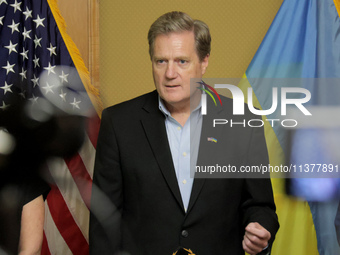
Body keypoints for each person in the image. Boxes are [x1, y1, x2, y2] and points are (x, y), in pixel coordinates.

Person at [89, 11, 279, 255]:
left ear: (204, 61)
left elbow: (261, 206)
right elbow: (104, 223)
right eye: (161, 61)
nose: (170, 73)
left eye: (182, 61)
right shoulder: (118, 123)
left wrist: (260, 229)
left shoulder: (242, 120)